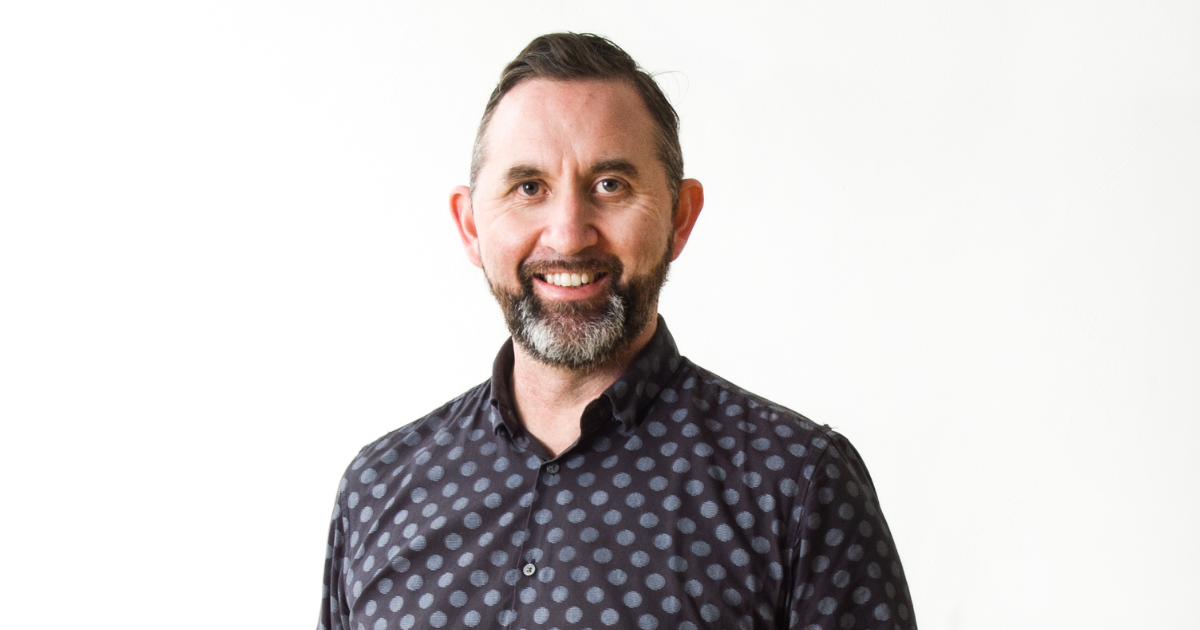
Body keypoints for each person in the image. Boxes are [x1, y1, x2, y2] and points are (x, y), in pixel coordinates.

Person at [319, 33, 916, 630]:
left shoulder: (797, 485)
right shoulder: (375, 489)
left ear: (679, 217)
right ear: (470, 224)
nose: (569, 233)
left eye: (611, 185)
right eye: (528, 188)